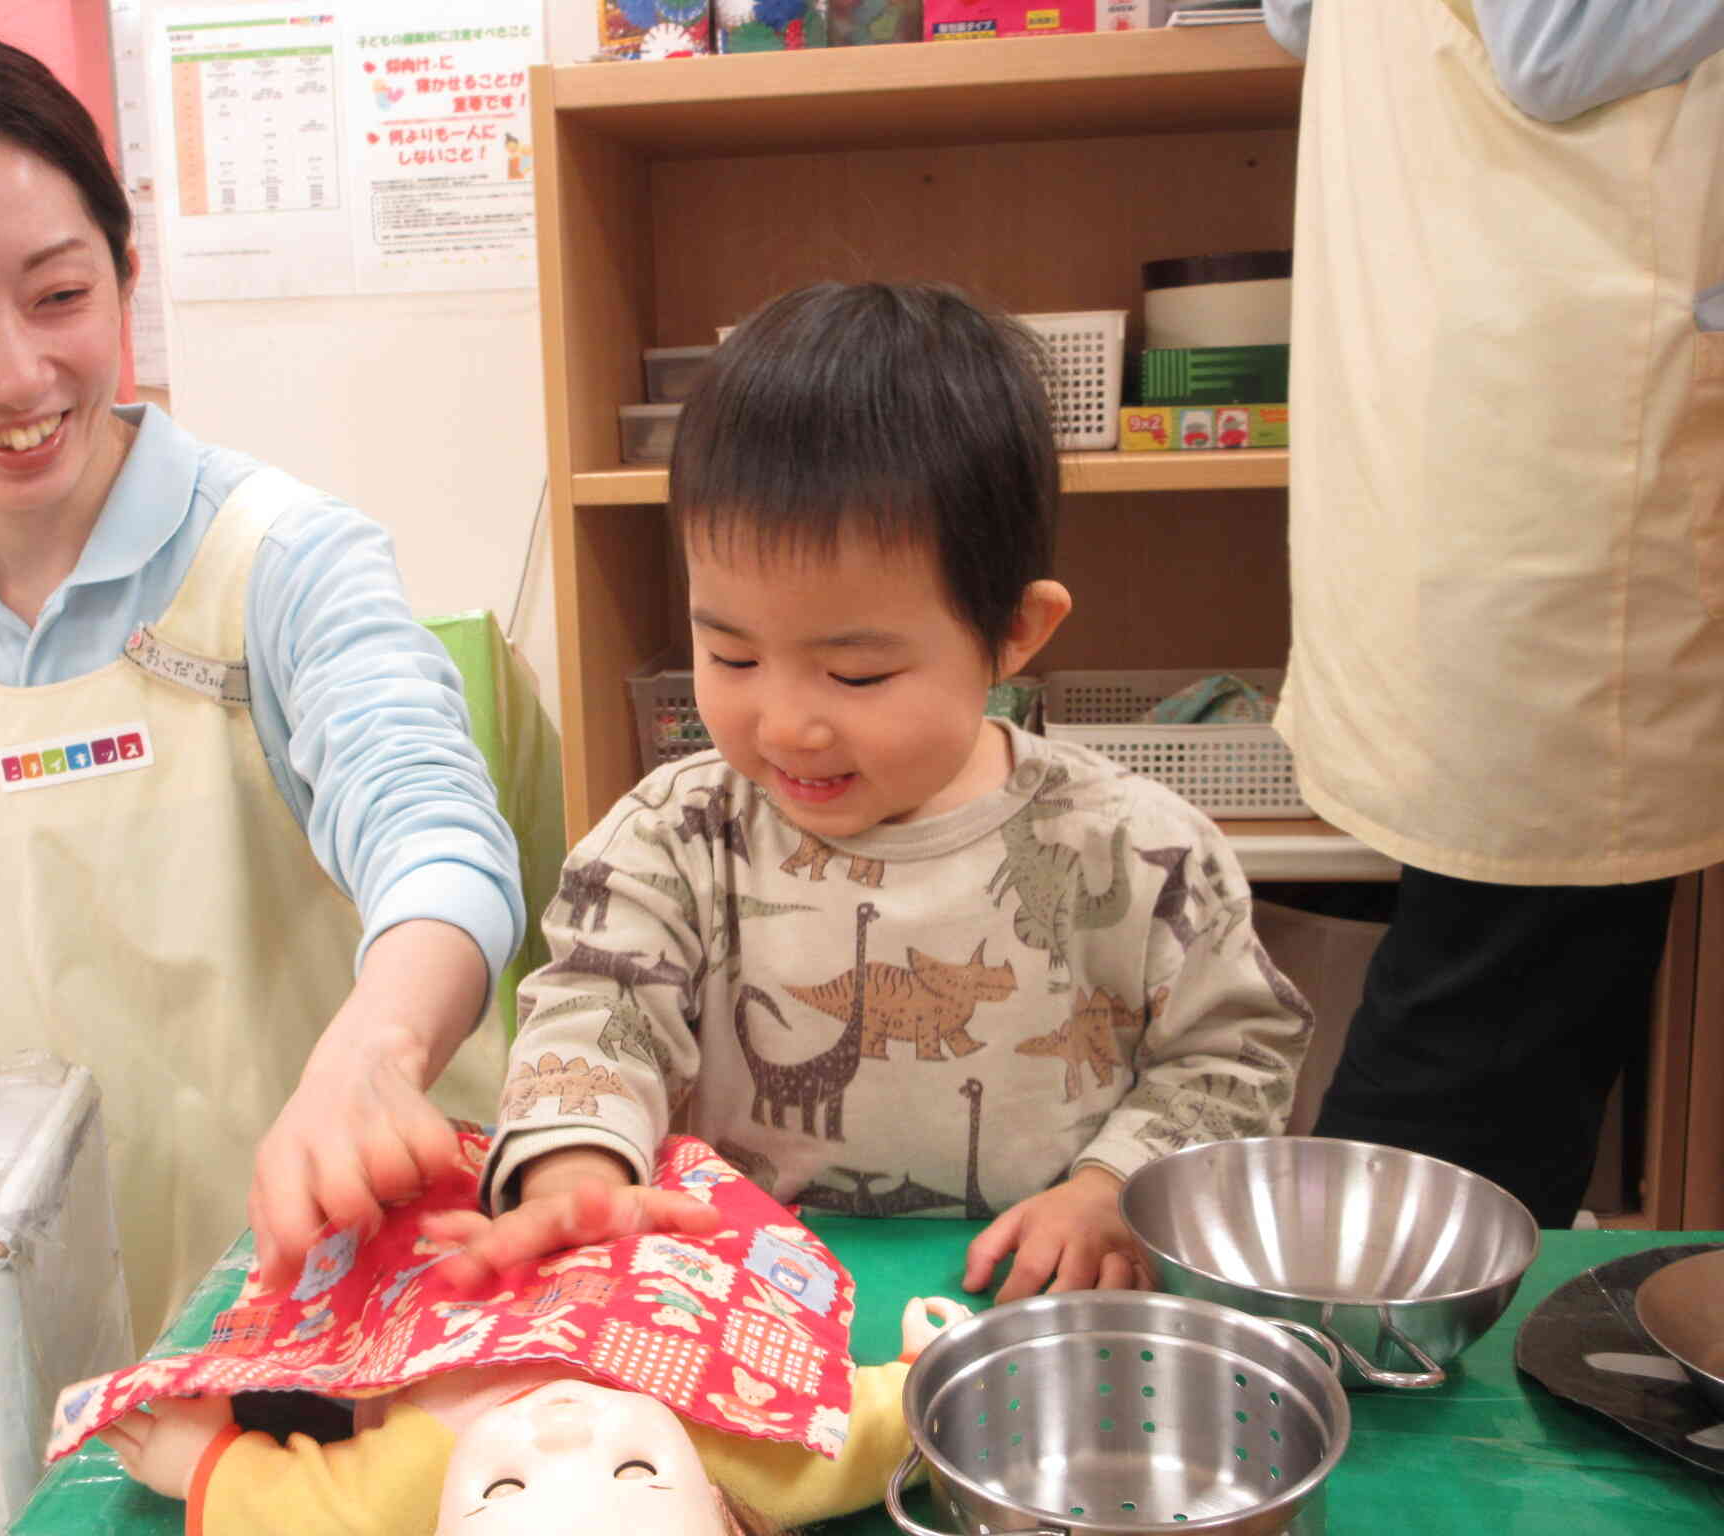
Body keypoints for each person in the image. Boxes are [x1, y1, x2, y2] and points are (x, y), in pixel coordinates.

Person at [0, 27, 526, 1345]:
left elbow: (438, 843)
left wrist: (378, 1052)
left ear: (124, 267)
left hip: (366, 1270)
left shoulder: (281, 558)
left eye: (59, 296)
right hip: (74, 1278)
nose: (14, 374)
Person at [457, 281, 1313, 1304]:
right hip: (744, 1305)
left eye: (855, 676)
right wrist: (575, 1175)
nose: (784, 724)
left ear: (1015, 633)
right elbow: (595, 1012)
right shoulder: (671, 838)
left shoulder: (1137, 849)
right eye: (728, 654)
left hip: (1035, 1317)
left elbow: (1233, 1050)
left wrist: (1111, 1187)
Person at [1263, 1, 1724, 1226]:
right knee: (1500, 992)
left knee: (1486, 964)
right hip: (1555, 450)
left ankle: (1352, 1340)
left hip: (1475, 412)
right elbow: (1557, 39)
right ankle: (1368, 1362)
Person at [62, 1126, 962, 1536]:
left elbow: (299, 1509)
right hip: (628, 1234)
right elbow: (870, 1431)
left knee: (389, 1193)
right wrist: (928, 1365)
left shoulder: (413, 1481)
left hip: (453, 1273)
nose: (563, 1429)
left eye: (503, 1490)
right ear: (731, 1522)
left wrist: (198, 1463)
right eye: (636, 1471)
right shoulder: (746, 1448)